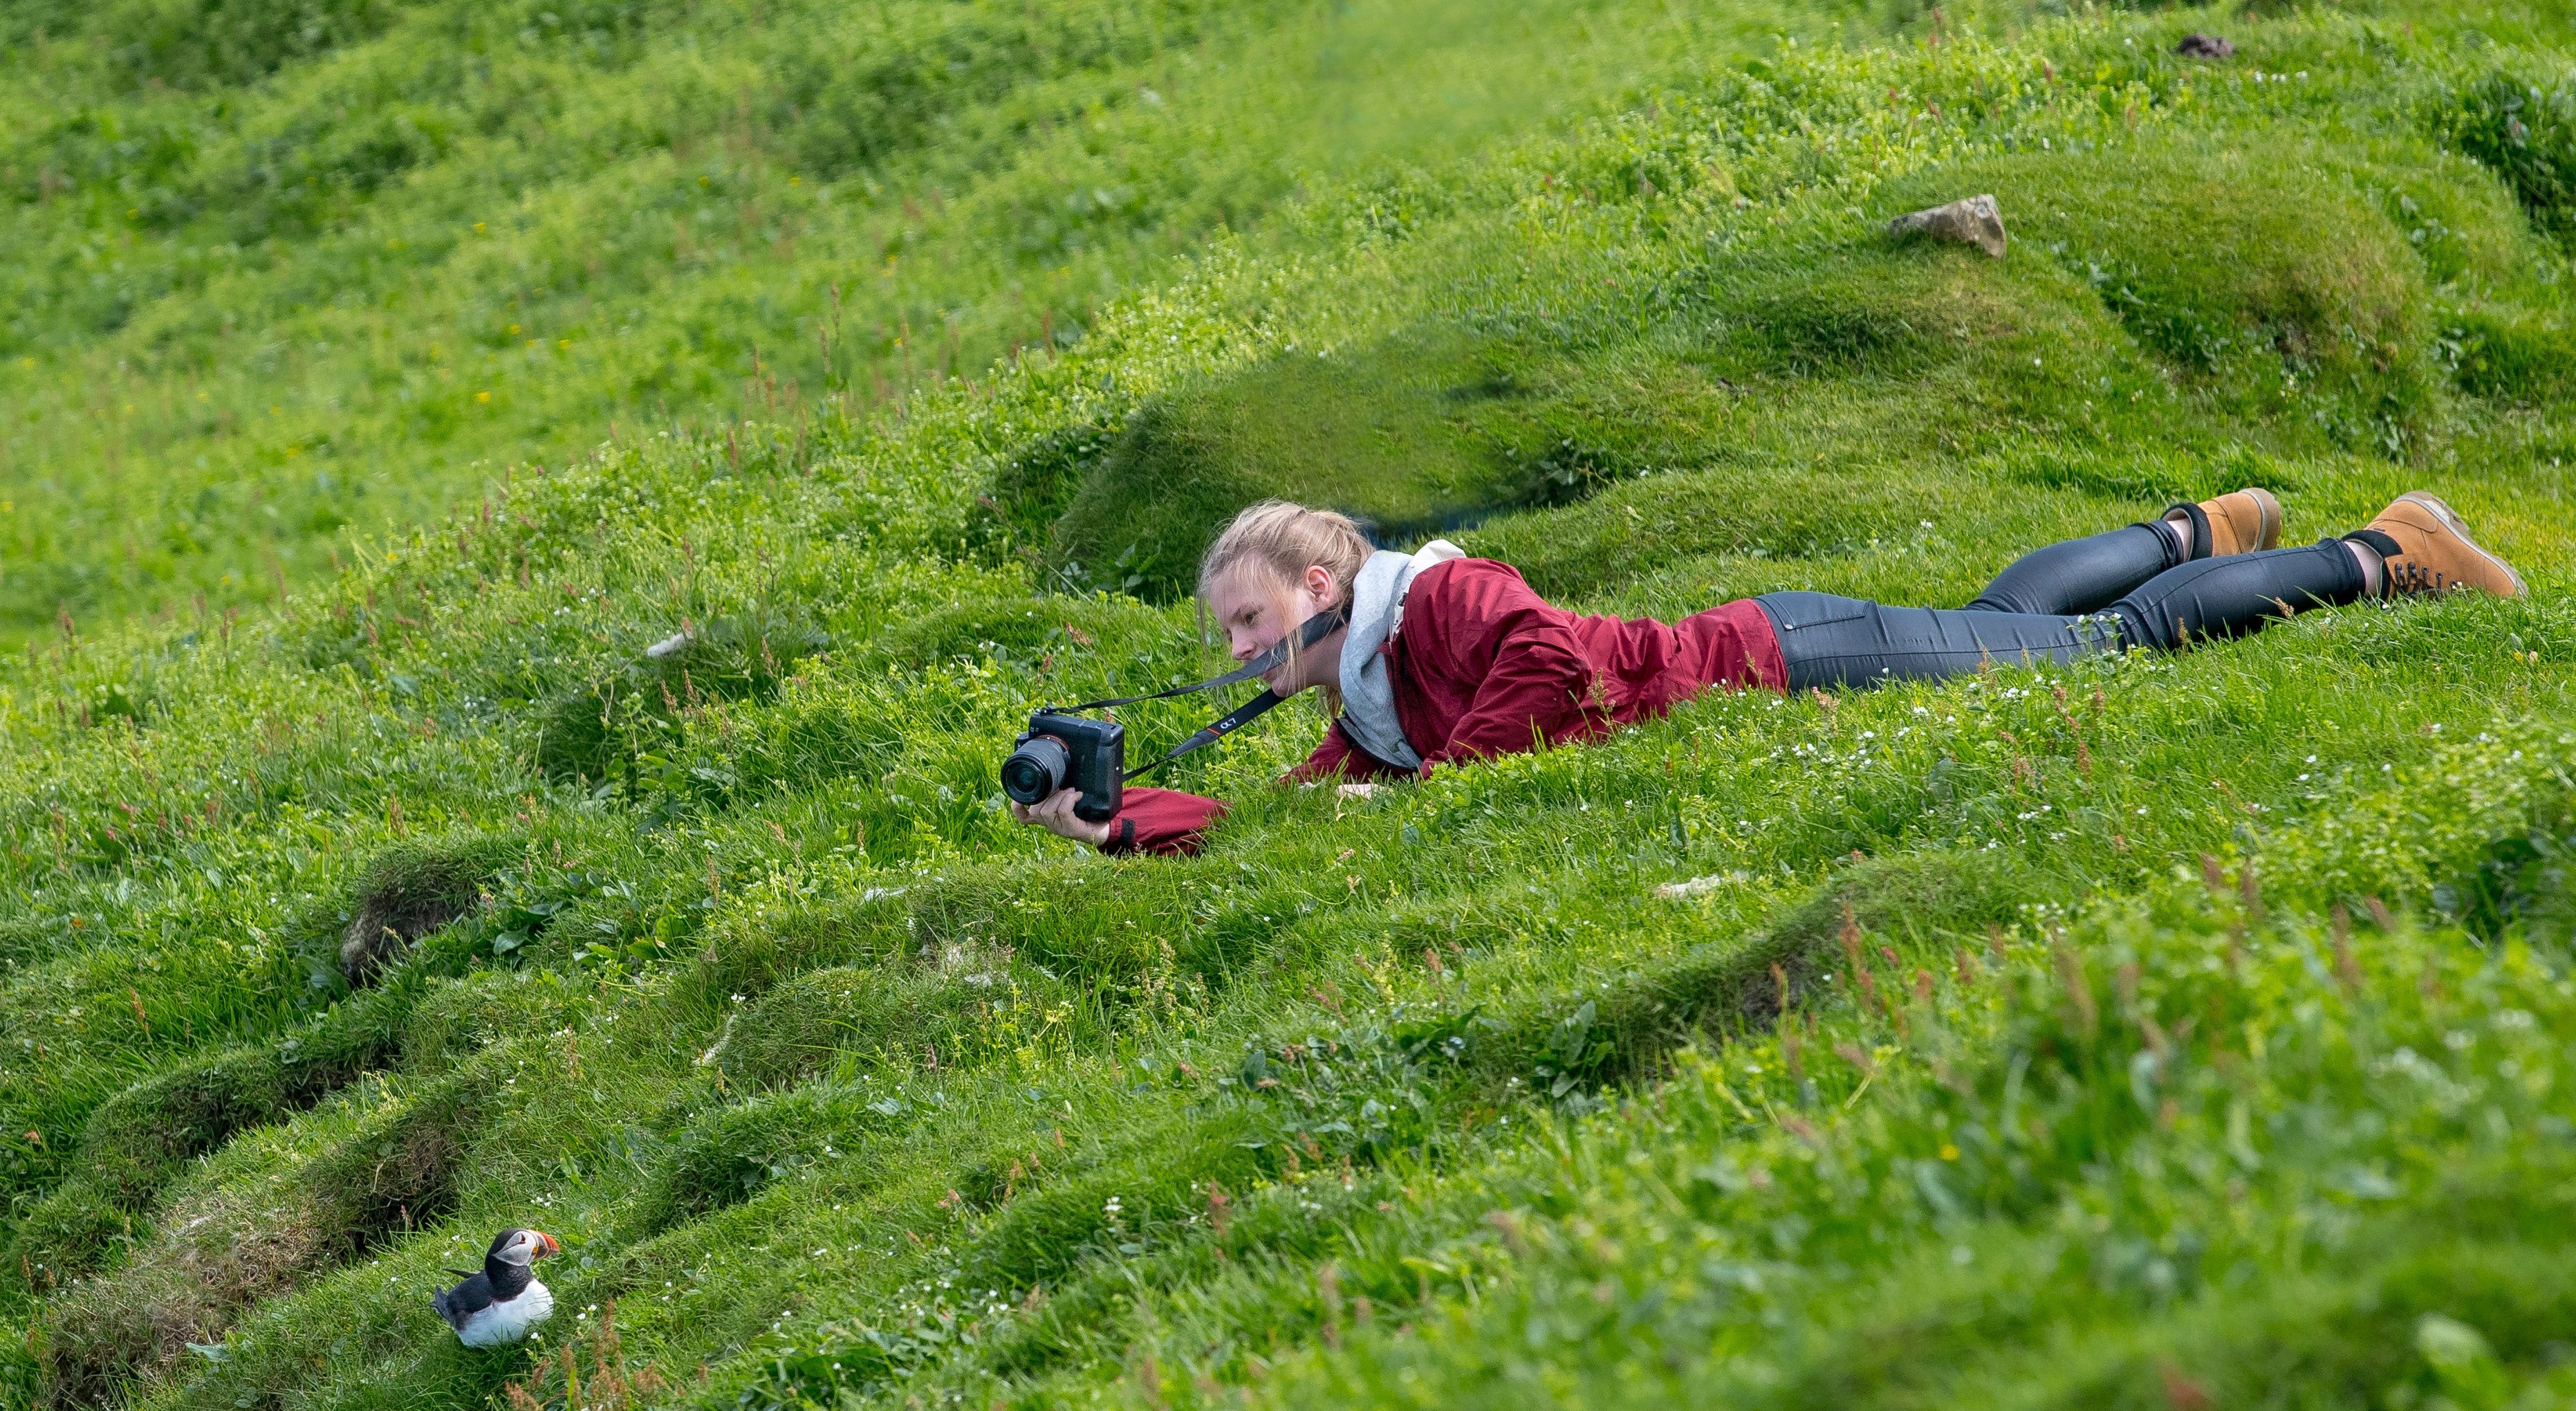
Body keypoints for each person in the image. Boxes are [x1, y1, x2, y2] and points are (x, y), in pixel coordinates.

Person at [1010, 490, 2526, 856]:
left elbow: (1540, 663)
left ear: (1322, 587)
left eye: (1247, 622)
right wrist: (1117, 821)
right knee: (1999, 617)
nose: (1237, 653)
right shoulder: (1369, 689)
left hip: (1797, 668)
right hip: (1797, 646)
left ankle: (2384, 554)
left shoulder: (1444, 601)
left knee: (2104, 656)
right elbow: (1285, 819)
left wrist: (1448, 779)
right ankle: (2203, 525)